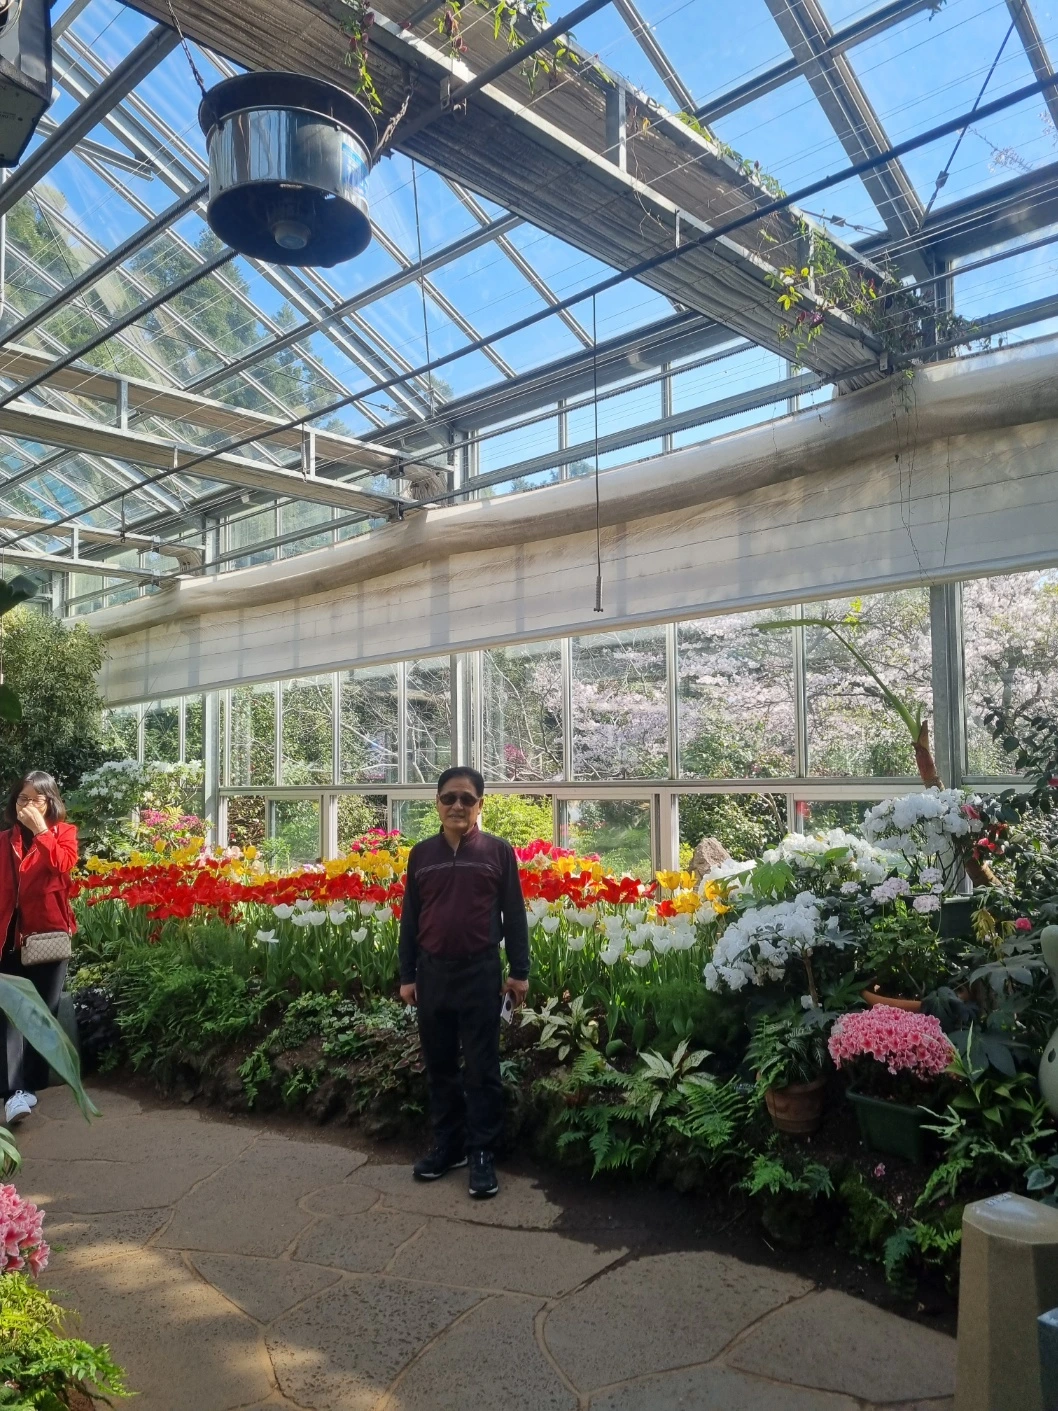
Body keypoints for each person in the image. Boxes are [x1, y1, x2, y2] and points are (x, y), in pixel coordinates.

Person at [399, 766, 529, 1199]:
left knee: (481, 1068)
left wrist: (519, 972)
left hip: (480, 973)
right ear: (437, 803)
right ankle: (448, 1146)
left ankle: (482, 1153)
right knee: (439, 1067)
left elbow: (514, 914)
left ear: (480, 805)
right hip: (433, 974)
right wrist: (407, 975)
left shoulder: (497, 852)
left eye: (467, 799)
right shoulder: (421, 855)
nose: (458, 806)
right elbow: (410, 918)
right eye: (449, 798)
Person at [0, 771, 78, 1127]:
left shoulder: (64, 834)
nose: (27, 805)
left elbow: (62, 867)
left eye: (35, 800)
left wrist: (43, 832)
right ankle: (13, 1092)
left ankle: (31, 1085)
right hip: (8, 939)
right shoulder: (5, 841)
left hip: (48, 937)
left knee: (42, 1012)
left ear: (50, 803)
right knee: (9, 1013)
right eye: (22, 799)